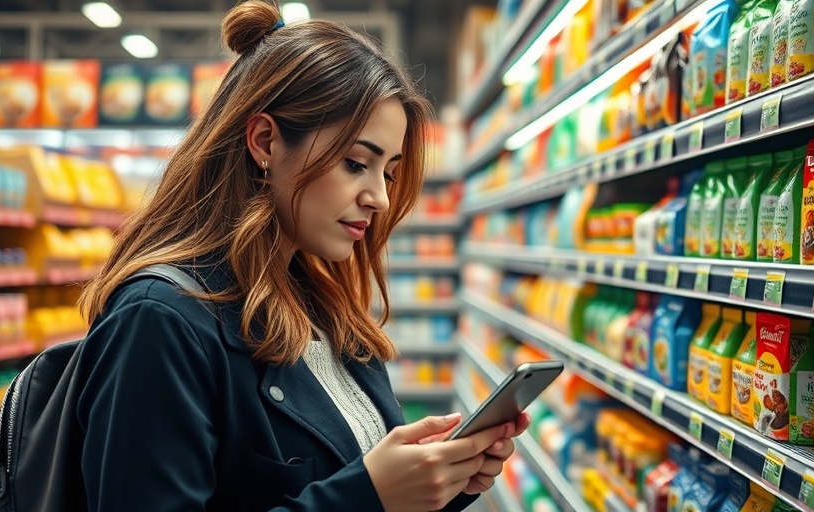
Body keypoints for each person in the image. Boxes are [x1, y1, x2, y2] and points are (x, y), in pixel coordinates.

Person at [75, 1, 529, 510]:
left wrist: (440, 482)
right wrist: (367, 497)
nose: (379, 197)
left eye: (389, 172)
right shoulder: (159, 320)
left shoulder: (316, 301)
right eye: (357, 163)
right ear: (265, 141)